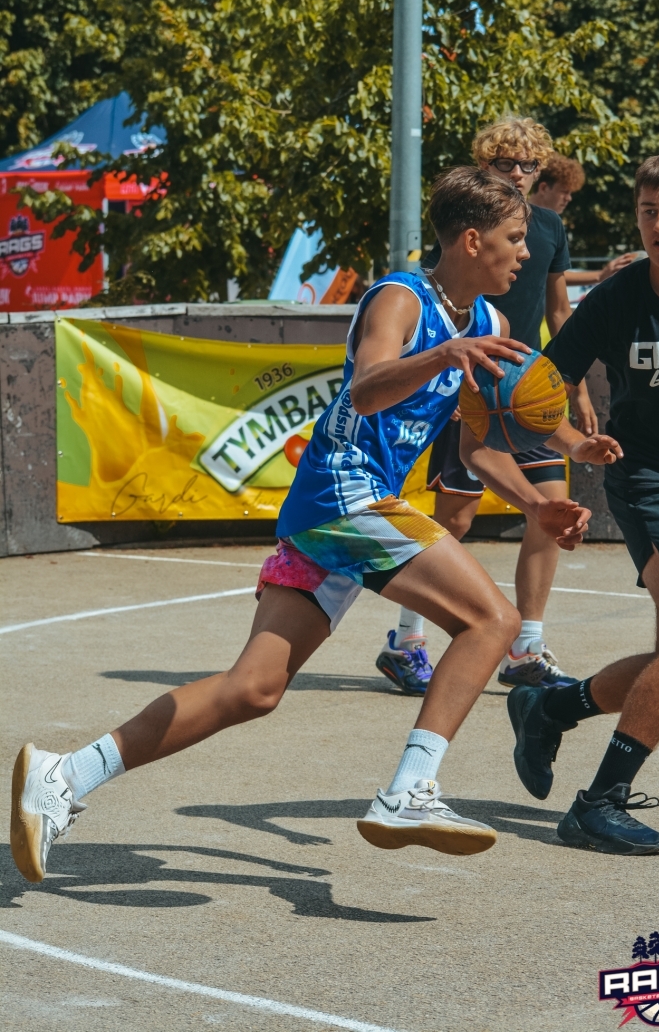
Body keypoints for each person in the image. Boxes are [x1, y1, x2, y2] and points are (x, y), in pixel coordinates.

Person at [10, 167, 619, 883]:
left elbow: (477, 443)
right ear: (470, 239)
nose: (525, 254)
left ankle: (66, 776)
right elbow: (364, 389)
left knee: (253, 689)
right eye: (515, 239)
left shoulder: (489, 324)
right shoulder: (401, 297)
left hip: (339, 511)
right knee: (491, 622)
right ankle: (408, 791)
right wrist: (441, 354)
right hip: (342, 492)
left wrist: (539, 495)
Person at [507, 144, 659, 855]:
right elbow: (535, 387)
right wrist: (572, 442)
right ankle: (597, 803)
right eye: (646, 211)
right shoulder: (617, 299)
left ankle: (551, 706)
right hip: (648, 477)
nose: (658, 225)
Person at [377, 117, 596, 697]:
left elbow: (558, 313)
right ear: (484, 167)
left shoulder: (547, 228)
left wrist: (572, 388)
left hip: (529, 394)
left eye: (530, 166)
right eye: (507, 165)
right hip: (476, 388)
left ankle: (526, 647)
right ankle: (405, 641)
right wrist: (452, 380)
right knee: (455, 520)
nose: (521, 174)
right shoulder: (463, 238)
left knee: (553, 512)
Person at [529, 152, 637, 285]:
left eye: (570, 193)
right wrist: (600, 275)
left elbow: (554, 275)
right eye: (564, 191)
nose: (569, 198)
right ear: (543, 188)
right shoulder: (522, 221)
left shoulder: (552, 225)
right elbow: (547, 275)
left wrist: (602, 275)